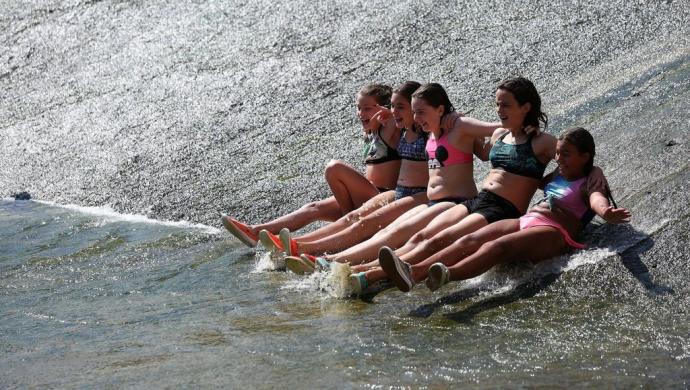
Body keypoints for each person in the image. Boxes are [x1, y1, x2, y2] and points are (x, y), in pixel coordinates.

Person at [312, 77, 557, 287]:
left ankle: (371, 275)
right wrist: (451, 123)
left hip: (502, 208)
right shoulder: (499, 134)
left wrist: (552, 181)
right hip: (479, 199)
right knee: (423, 237)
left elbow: (573, 163)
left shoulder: (543, 141)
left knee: (440, 240)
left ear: (525, 107)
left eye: (506, 105)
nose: (499, 110)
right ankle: (360, 270)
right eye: (497, 104)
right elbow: (480, 152)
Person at [275, 83, 502, 270]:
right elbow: (399, 123)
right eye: (413, 111)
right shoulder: (428, 131)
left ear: (440, 109)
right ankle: (306, 250)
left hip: (447, 201)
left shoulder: (456, 125)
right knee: (372, 226)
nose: (414, 116)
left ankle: (330, 261)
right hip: (428, 200)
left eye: (416, 111)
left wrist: (490, 133)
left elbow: (492, 136)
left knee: (391, 234)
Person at [377, 127, 631, 293]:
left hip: (554, 232)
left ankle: (446, 274)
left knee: (496, 248)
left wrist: (607, 212)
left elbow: (597, 200)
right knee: (470, 239)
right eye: (557, 154)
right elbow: (535, 179)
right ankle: (414, 272)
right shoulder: (559, 172)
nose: (559, 159)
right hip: (529, 220)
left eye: (566, 155)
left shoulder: (591, 182)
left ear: (585, 157)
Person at [221, 84, 401, 247]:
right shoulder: (370, 133)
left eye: (368, 109)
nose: (361, 113)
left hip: (382, 198)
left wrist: (390, 113)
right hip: (364, 196)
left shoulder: (389, 129)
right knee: (313, 208)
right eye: (359, 108)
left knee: (334, 168)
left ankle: (347, 230)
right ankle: (255, 232)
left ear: (383, 109)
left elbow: (401, 118)